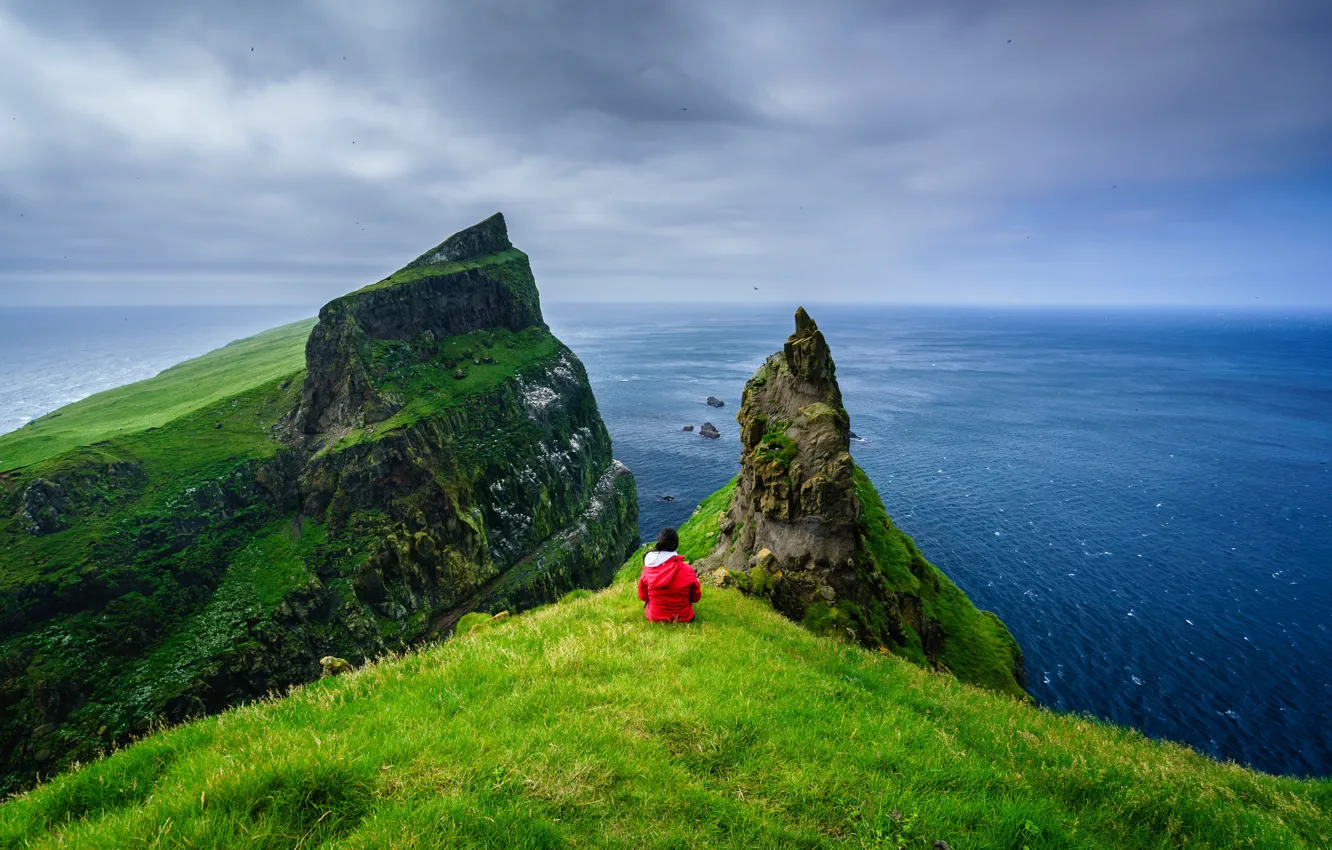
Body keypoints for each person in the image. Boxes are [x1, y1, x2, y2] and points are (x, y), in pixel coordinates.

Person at [637, 528, 701, 623]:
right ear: (676, 545)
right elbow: (695, 597)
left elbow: (643, 596)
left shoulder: (648, 569)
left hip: (654, 617)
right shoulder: (687, 570)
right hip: (683, 617)